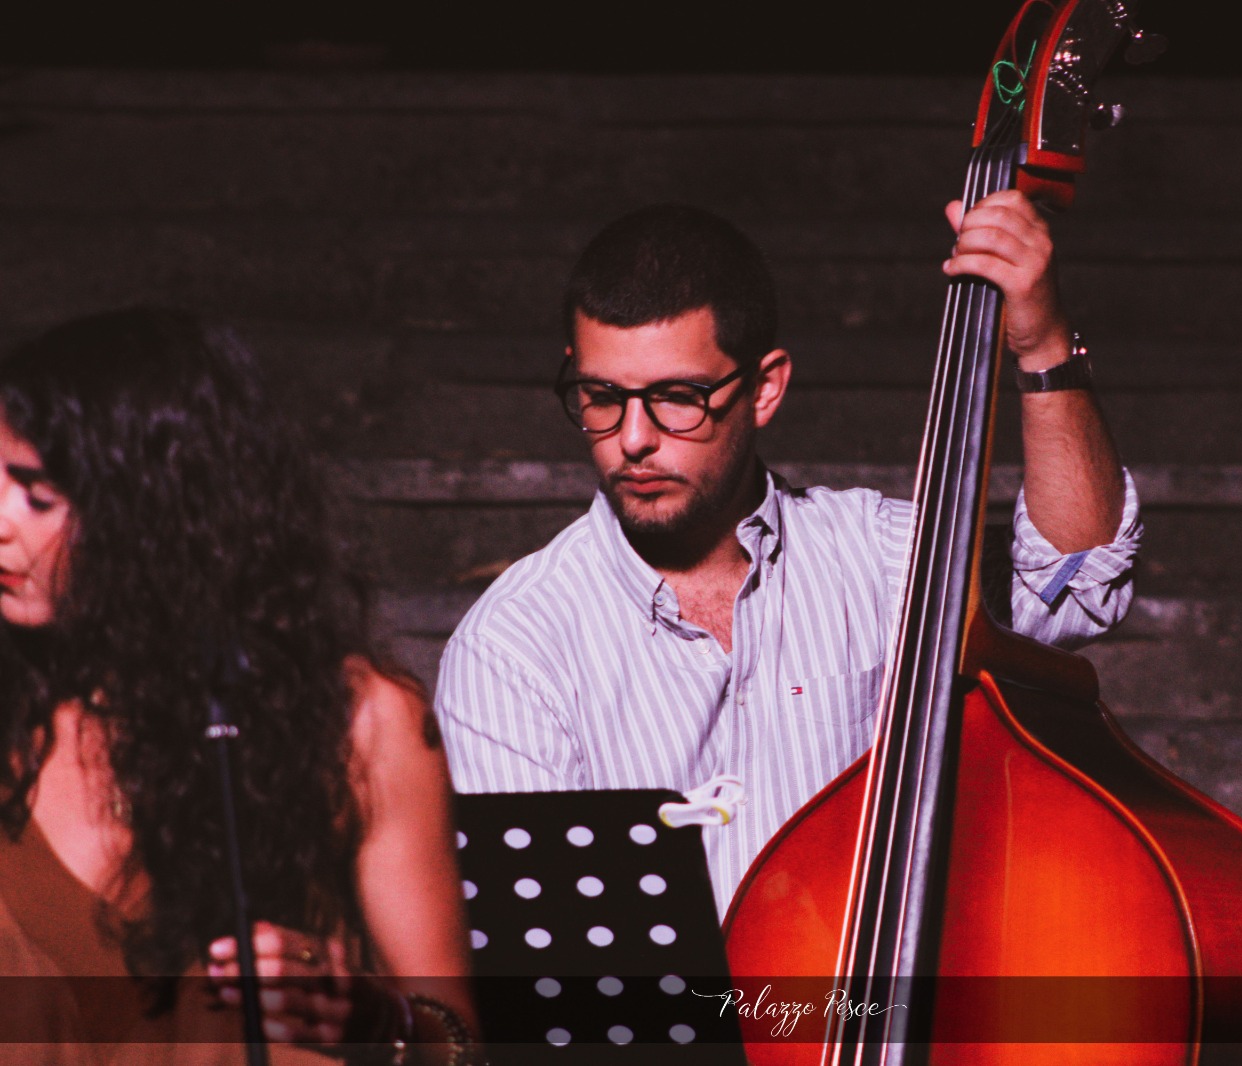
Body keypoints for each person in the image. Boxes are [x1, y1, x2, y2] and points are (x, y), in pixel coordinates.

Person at [435, 194, 1142, 915]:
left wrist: (1043, 348)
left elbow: (1077, 581)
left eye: (677, 396)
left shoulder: (879, 555)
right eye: (602, 395)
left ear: (765, 388)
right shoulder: (511, 650)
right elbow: (535, 935)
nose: (634, 438)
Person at [0, 308, 478, 1064]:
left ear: (154, 507)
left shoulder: (360, 720)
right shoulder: (17, 705)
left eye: (37, 495)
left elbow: (462, 1043)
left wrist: (374, 1018)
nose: (1, 522)